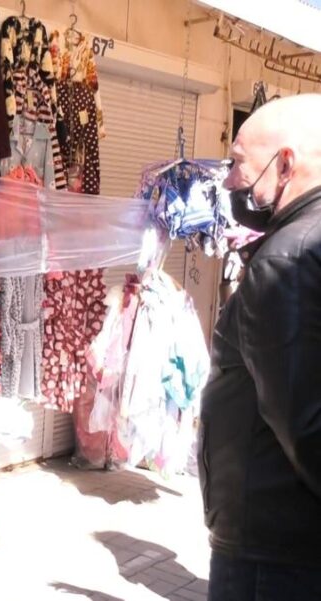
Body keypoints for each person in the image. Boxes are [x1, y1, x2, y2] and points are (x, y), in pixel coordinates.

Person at [201, 94, 321, 600]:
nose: (229, 182)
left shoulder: (285, 261)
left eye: (237, 164)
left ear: (285, 164)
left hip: (272, 553)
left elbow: (305, 425)